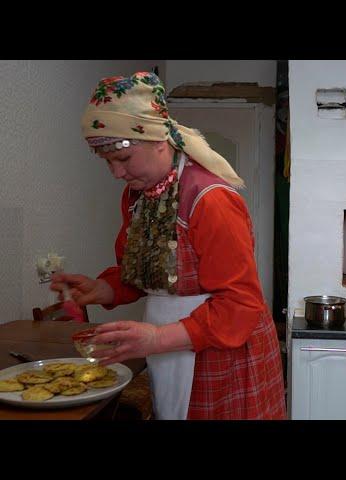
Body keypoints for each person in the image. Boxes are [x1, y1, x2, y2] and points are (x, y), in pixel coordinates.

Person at [50, 72, 286, 420]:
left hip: (222, 356)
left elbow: (240, 304)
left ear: (159, 140)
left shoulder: (211, 201)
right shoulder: (138, 196)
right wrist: (104, 288)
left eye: (124, 159)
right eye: (107, 162)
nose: (116, 173)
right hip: (167, 347)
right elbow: (146, 273)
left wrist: (158, 340)